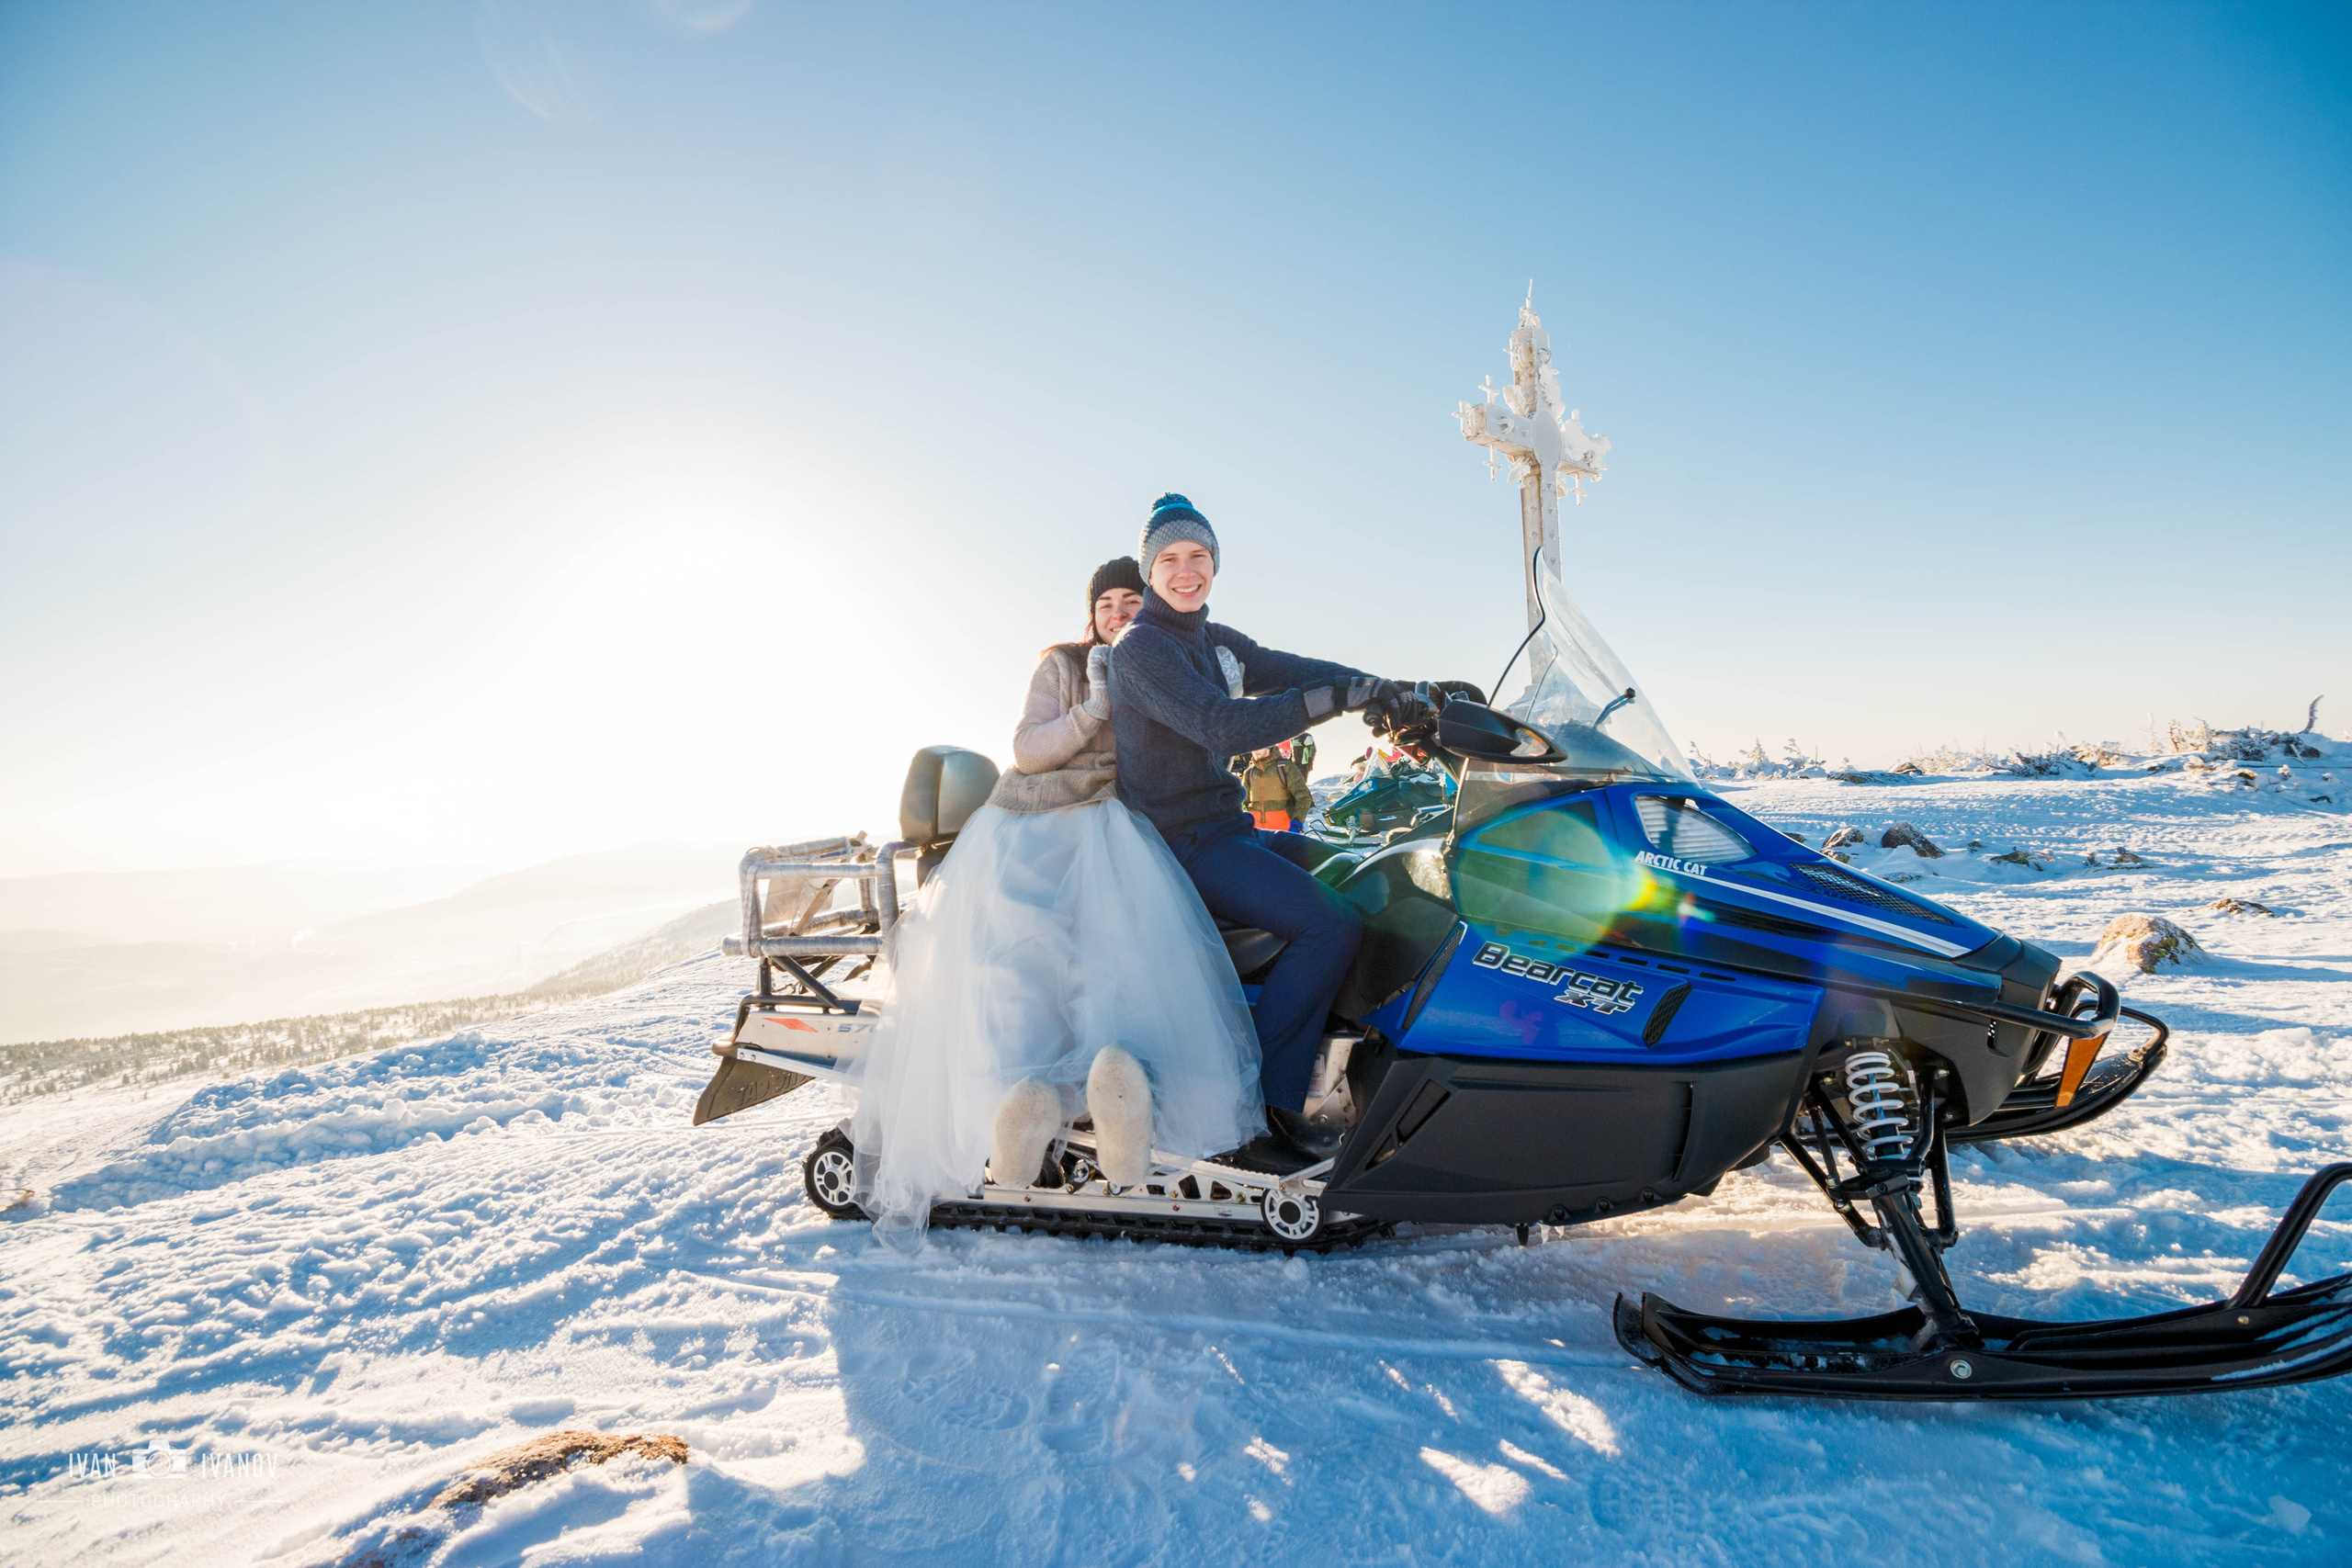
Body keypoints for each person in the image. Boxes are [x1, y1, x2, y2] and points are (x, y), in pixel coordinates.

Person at [851, 556, 1263, 1247]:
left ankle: (1118, 1087)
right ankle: (1019, 1101)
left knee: (1118, 954)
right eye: (1109, 603)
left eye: (1134, 600)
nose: (1121, 613)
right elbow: (1027, 746)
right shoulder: (1065, 665)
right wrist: (1091, 712)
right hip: (1033, 824)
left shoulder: (1163, 663)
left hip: (1111, 821)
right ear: (1092, 613)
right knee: (1017, 960)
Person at [1108, 492, 1464, 1171]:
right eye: (1171, 559)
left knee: (1374, 876)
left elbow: (1292, 668)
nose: (1187, 571)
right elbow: (1223, 725)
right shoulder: (1141, 648)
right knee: (1329, 922)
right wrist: (1339, 701)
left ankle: (1360, 1067)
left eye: (1199, 556)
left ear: (1215, 562)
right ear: (1150, 570)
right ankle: (1267, 1112)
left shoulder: (1209, 638)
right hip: (1179, 847)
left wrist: (1392, 687)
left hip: (1228, 829)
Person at [1240, 746, 1314, 831]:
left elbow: (1303, 796)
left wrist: (1297, 822)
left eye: (1260, 746)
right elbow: (1242, 802)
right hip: (1257, 834)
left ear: (1269, 746)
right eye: (1254, 747)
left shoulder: (1285, 767)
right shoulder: (1249, 773)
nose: (1256, 750)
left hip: (1284, 833)